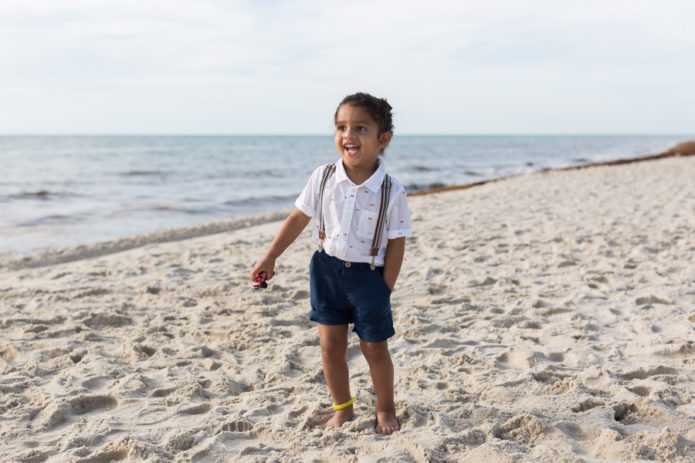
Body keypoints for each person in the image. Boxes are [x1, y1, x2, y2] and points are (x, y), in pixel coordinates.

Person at [250, 92, 412, 435]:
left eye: (360, 128)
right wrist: (271, 256)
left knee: (373, 348)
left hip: (370, 277)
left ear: (383, 139)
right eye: (341, 127)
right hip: (325, 271)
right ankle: (344, 408)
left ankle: (385, 408)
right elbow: (298, 218)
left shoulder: (391, 190)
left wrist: (385, 288)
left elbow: (397, 243)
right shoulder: (323, 177)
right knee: (330, 345)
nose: (348, 135)